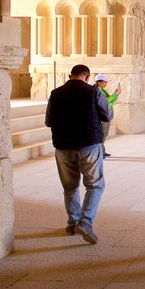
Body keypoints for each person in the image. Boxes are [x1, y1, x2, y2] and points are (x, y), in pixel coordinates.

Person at [45, 64, 112, 244]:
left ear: (70, 76)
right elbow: (107, 115)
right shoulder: (93, 92)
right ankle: (86, 221)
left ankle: (73, 222)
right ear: (88, 77)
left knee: (70, 186)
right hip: (88, 144)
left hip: (63, 146)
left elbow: (48, 121)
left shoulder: (55, 93)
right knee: (95, 185)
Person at [93, 73, 121, 158]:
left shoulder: (103, 90)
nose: (106, 83)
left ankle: (102, 151)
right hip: (102, 116)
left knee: (104, 134)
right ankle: (99, 152)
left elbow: (110, 101)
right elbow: (105, 101)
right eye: (105, 82)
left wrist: (116, 94)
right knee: (102, 134)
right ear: (99, 82)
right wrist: (115, 94)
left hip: (106, 114)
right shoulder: (98, 90)